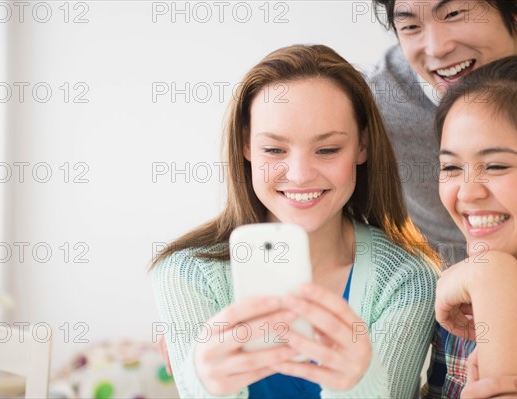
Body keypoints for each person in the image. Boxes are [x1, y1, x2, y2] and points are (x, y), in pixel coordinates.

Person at [151, 44, 440, 398]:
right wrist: (206, 388)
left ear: (362, 145)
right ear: (246, 146)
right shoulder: (186, 273)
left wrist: (359, 383)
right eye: (274, 150)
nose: (301, 175)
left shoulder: (408, 279)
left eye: (328, 149)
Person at [369, 0, 517, 267]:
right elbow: (472, 246)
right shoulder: (388, 112)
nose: (437, 49)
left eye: (454, 14)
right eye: (410, 26)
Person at [431, 54, 517, 398]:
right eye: (451, 168)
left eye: (496, 166)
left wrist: (491, 276)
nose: (467, 192)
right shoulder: (458, 306)